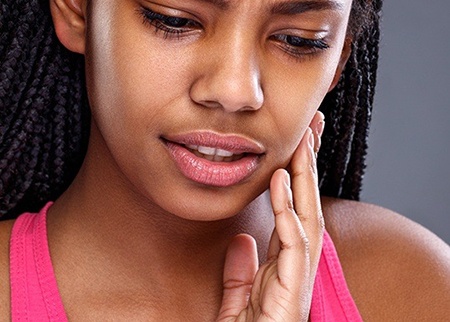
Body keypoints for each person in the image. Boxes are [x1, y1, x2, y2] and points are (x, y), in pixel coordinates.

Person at [0, 0, 449, 320]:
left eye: (299, 40)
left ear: (339, 58)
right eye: (174, 20)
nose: (235, 91)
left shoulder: (415, 290)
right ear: (77, 8)